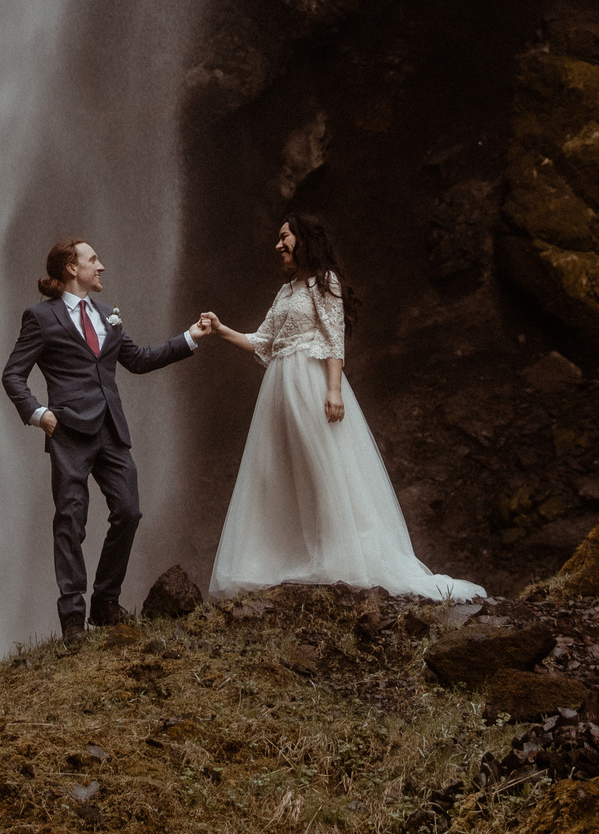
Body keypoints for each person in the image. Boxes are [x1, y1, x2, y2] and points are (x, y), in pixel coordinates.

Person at [199, 214, 485, 600]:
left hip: (310, 383)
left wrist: (333, 391)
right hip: (279, 390)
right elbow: (262, 341)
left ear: (303, 239)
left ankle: (338, 556)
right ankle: (288, 555)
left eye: (284, 237)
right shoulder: (286, 292)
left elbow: (334, 339)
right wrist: (220, 330)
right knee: (281, 468)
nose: (278, 245)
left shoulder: (325, 281)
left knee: (322, 465)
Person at [1, 237, 211, 636]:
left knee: (129, 511)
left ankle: (104, 601)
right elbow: (13, 374)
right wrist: (39, 414)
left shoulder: (107, 314)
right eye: (93, 260)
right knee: (71, 521)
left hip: (111, 430)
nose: (101, 267)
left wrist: (189, 337)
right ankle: (72, 617)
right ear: (71, 268)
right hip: (68, 431)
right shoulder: (40, 317)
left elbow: (139, 360)